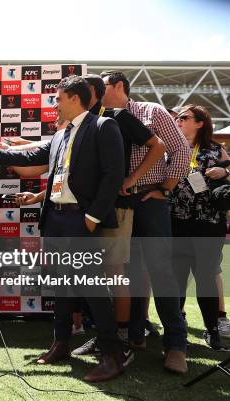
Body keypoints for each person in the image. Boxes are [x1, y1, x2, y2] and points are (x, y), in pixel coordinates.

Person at [0, 75, 126, 382]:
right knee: (62, 285)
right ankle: (60, 343)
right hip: (55, 219)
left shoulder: (103, 126)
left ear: (74, 98)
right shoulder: (60, 134)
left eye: (58, 98)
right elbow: (32, 154)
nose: (54, 104)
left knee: (92, 286)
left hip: (81, 220)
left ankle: (113, 355)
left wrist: (92, 218)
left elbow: (114, 175)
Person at [101, 70, 190, 374]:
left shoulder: (152, 111)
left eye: (102, 86)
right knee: (127, 272)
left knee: (160, 269)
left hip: (149, 199)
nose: (97, 92)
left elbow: (181, 149)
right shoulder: (101, 117)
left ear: (119, 86)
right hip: (118, 204)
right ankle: (133, 336)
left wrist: (166, 188)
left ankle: (176, 345)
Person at [71, 74, 165, 362]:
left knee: (114, 272)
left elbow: (158, 145)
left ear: (92, 92)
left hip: (117, 206)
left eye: (81, 91)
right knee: (91, 275)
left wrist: (132, 178)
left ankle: (122, 339)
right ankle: (104, 335)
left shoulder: (118, 116)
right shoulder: (81, 122)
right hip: (84, 209)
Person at [170, 104, 229, 350]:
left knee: (205, 278)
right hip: (176, 223)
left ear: (200, 123)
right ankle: (177, 328)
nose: (179, 121)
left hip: (208, 224)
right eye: (179, 118)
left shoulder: (218, 151)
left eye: (184, 118)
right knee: (177, 278)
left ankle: (212, 329)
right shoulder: (171, 149)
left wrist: (225, 170)